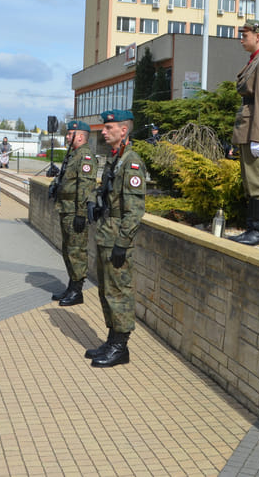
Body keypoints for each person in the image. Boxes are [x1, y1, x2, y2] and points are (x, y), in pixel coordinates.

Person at [85, 109, 146, 368]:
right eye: (104, 127)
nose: (104, 131)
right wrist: (96, 204)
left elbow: (135, 209)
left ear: (124, 130)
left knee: (119, 292)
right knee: (107, 291)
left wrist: (123, 242)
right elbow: (108, 192)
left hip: (117, 238)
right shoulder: (116, 159)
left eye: (109, 128)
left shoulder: (132, 162)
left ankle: (121, 347)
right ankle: (112, 340)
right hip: (106, 234)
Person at [229, 19, 259, 246]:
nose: (241, 39)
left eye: (245, 34)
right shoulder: (255, 61)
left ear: (258, 36)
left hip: (255, 131)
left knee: (258, 181)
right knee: (250, 181)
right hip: (248, 129)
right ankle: (252, 228)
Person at [49, 120, 97, 306]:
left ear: (80, 136)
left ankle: (77, 292)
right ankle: (71, 286)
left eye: (70, 134)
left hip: (74, 212)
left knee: (76, 251)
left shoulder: (85, 157)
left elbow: (85, 187)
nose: (67, 137)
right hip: (65, 209)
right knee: (68, 250)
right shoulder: (73, 155)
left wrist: (80, 214)